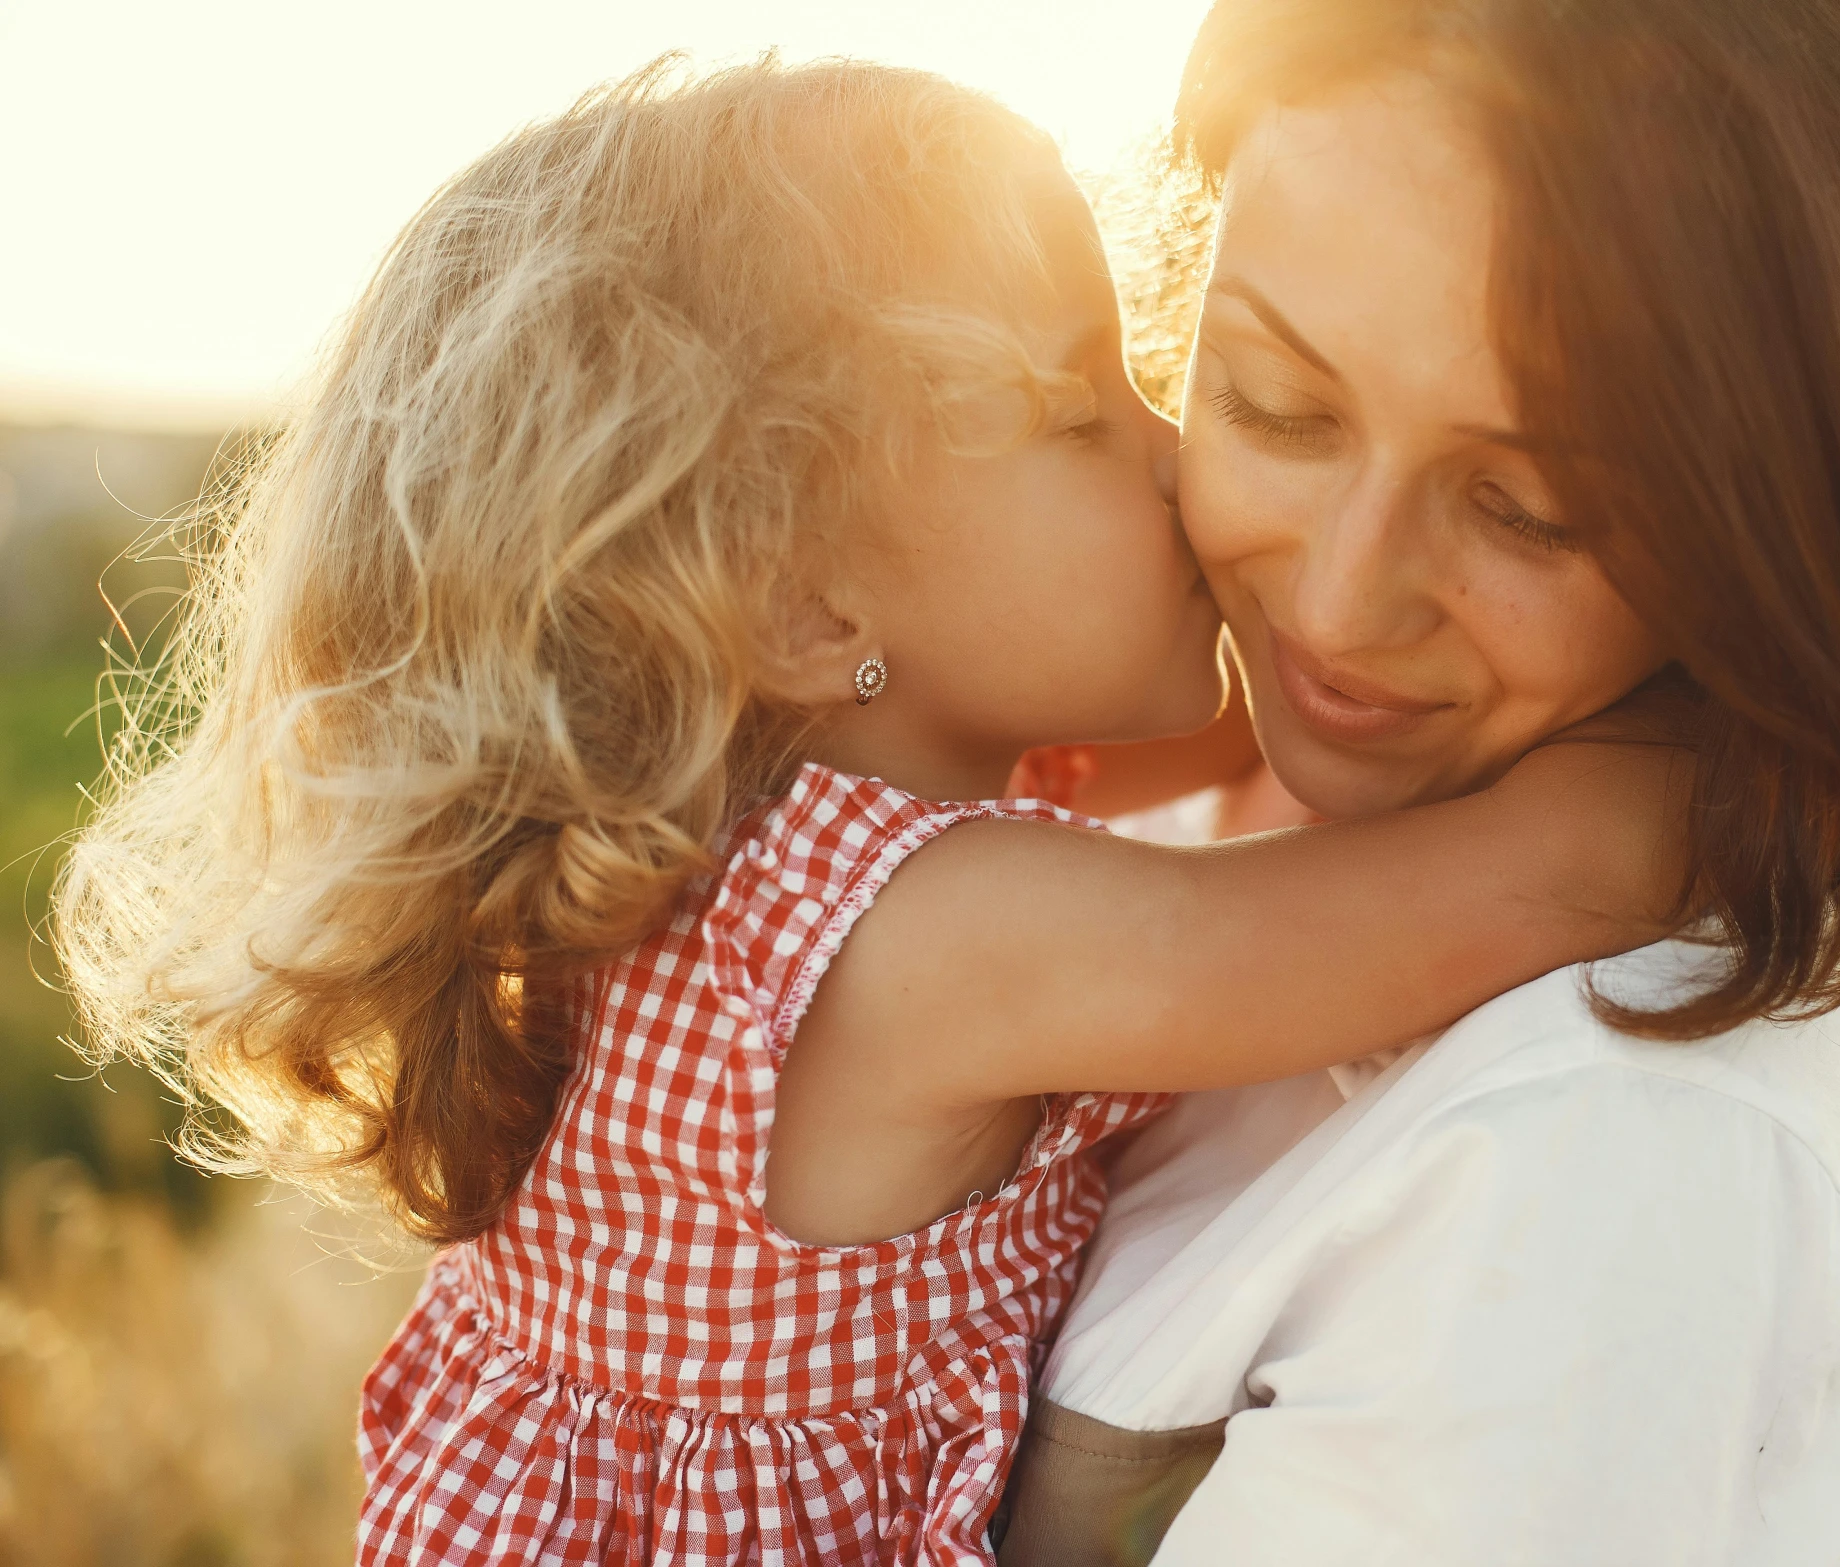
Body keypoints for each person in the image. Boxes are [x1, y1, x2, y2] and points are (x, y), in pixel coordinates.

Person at [55, 55, 1686, 1565]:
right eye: (1075, 415)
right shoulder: (934, 940)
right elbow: (1528, 886)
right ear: (808, 609)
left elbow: (1240, 746)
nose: (1175, 455)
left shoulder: (729, 820)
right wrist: (1763, 694)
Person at [998, 0, 1840, 1561]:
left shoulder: (1611, 1174)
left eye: (1526, 506)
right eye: (1273, 405)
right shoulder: (1194, 802)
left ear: (1780, 525)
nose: (1334, 602)